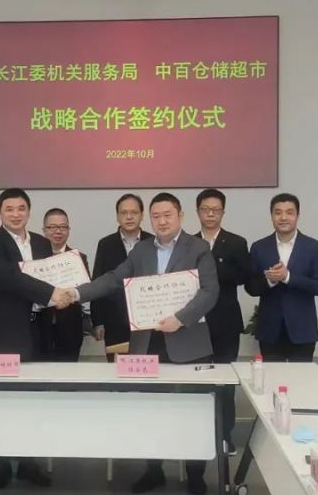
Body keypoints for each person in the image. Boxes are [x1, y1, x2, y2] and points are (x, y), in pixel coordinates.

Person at [68, 192, 218, 495]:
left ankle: (195, 474)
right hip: (147, 343)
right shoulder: (141, 250)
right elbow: (113, 278)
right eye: (156, 216)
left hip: (187, 343)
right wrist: (75, 293)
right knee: (152, 411)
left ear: (180, 216)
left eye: (167, 215)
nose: (162, 221)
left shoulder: (199, 247)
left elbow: (209, 291)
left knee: (193, 413)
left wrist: (181, 318)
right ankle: (154, 470)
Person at [0, 188, 68, 489]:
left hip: (38, 331)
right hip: (3, 333)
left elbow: (52, 275)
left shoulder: (41, 243)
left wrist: (65, 291)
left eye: (21, 208)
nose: (16, 214)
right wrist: (51, 293)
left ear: (29, 211)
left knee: (33, 397)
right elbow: (8, 278)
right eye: (9, 209)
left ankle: (29, 462)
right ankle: (2, 463)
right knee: (1, 399)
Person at [193, 188, 250, 448]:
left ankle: (225, 434)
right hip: (195, 324)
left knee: (226, 381)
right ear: (197, 212)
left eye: (216, 210)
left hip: (226, 321)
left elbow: (244, 276)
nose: (210, 214)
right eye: (206, 209)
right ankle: (200, 433)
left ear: (223, 213)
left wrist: (211, 269)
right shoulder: (188, 243)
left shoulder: (237, 242)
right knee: (198, 381)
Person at [245, 193, 318, 362]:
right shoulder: (259, 247)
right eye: (278, 212)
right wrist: (270, 280)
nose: (283, 217)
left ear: (297, 215)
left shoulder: (313, 247)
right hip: (269, 330)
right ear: (271, 216)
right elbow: (250, 287)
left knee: (301, 377)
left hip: (303, 329)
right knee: (272, 377)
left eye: (289, 212)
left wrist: (288, 277)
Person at [90, 194, 153, 360]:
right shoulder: (106, 244)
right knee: (117, 368)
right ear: (117, 216)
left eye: (134, 212)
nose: (129, 217)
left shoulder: (153, 242)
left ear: (142, 215)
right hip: (114, 319)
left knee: (147, 366)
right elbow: (98, 281)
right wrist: (98, 321)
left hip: (148, 319)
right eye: (124, 213)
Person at [38, 208, 91, 362]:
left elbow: (86, 292)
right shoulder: (34, 258)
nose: (58, 231)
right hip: (39, 328)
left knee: (68, 371)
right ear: (44, 230)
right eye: (52, 227)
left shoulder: (79, 258)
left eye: (63, 227)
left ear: (68, 230)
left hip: (70, 328)